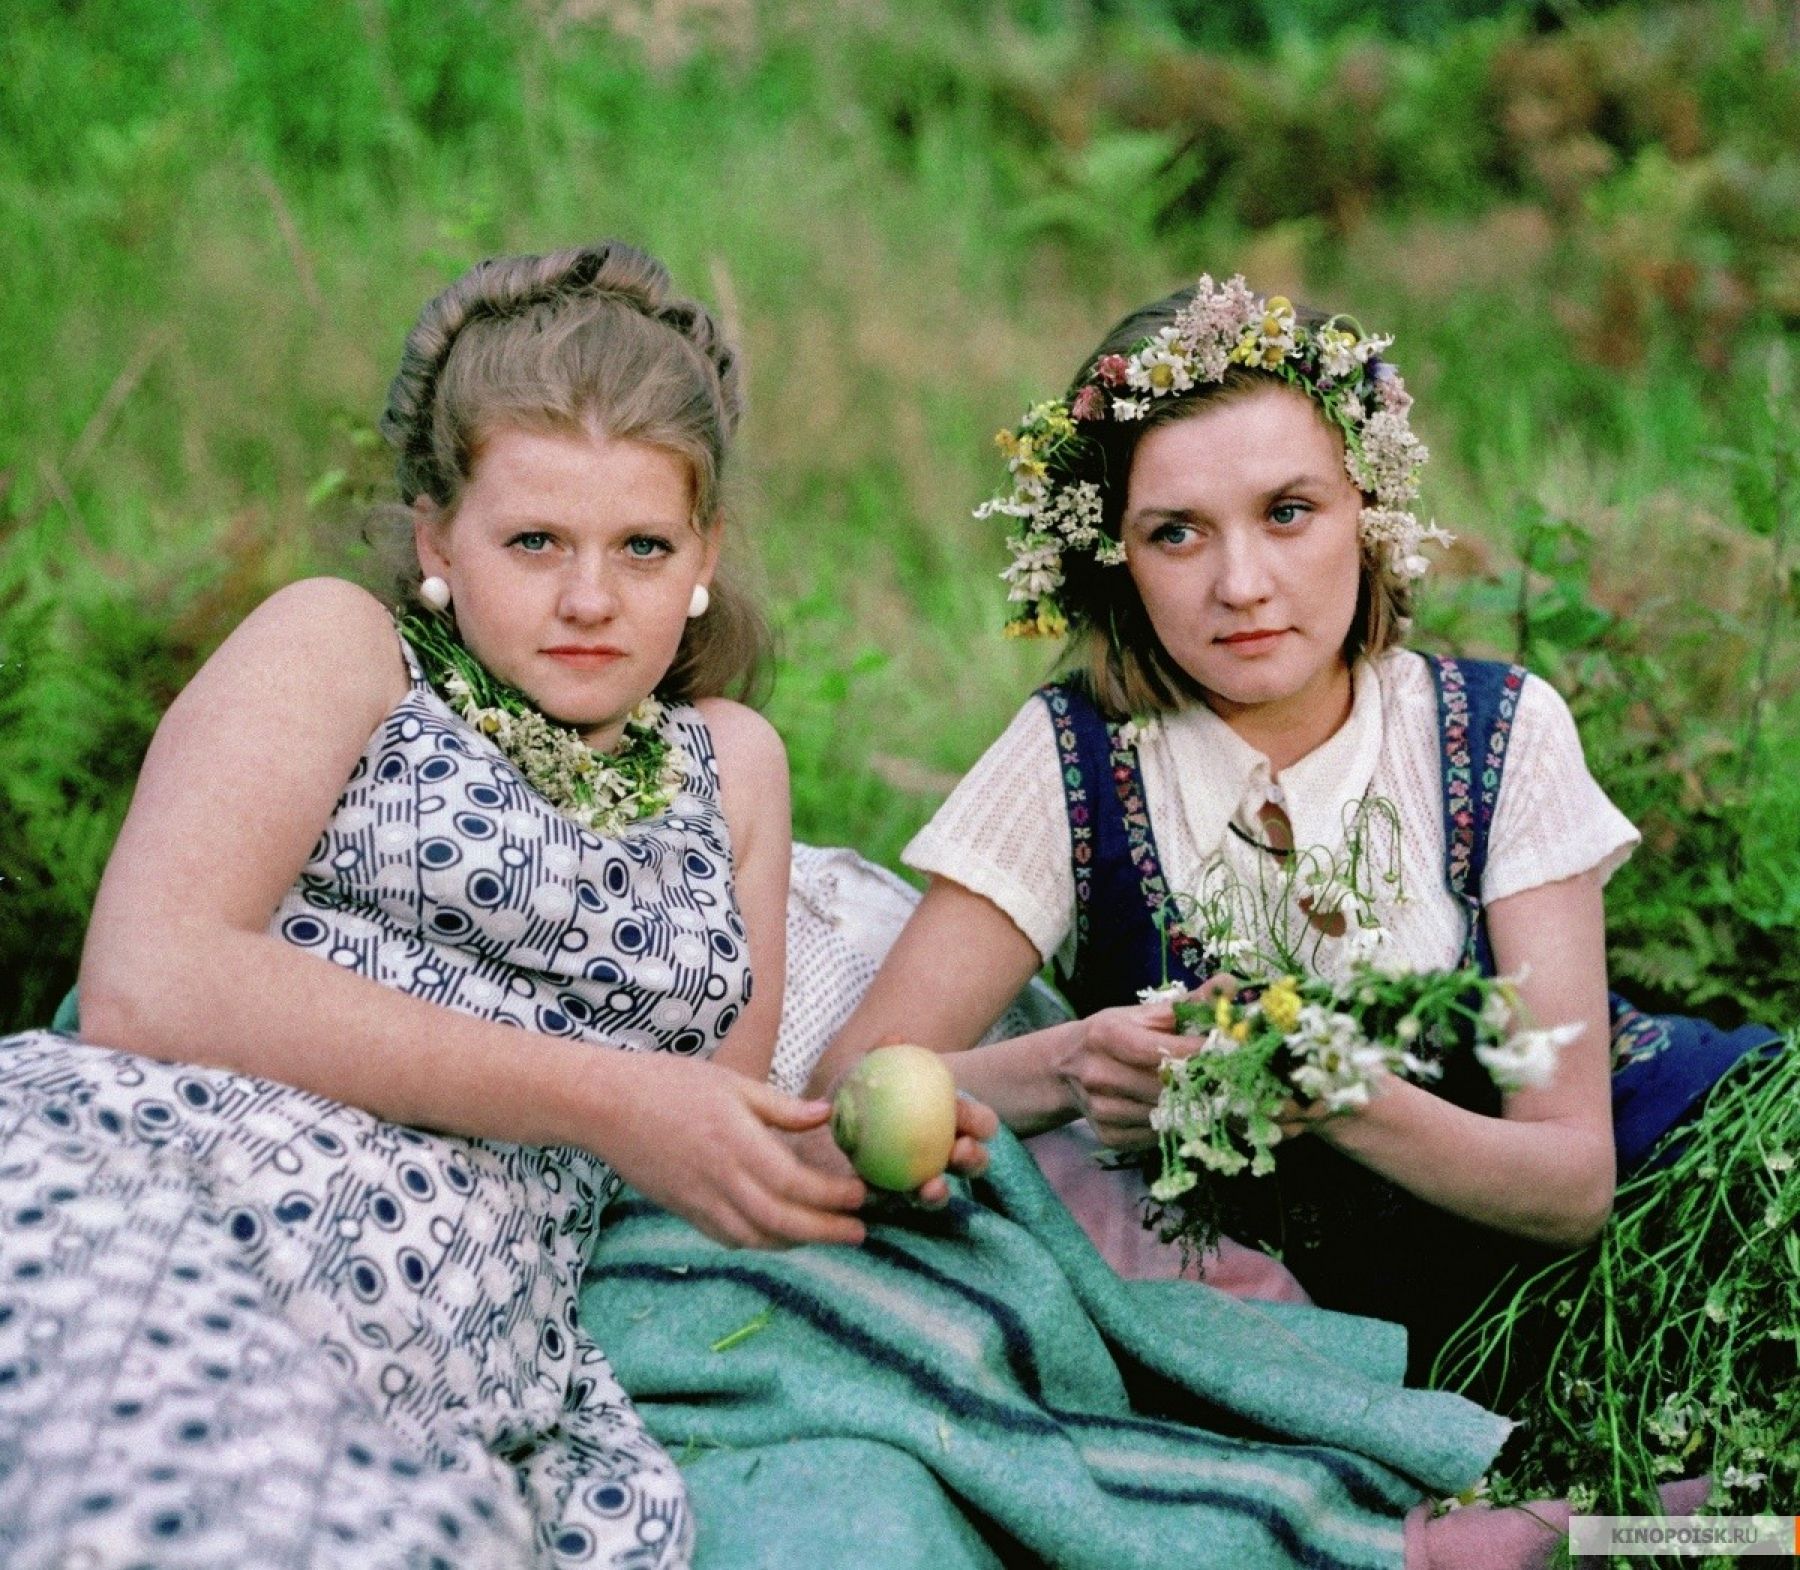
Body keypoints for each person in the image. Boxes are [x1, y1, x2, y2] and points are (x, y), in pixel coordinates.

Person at [0, 240, 879, 1570]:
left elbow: (721, 1129)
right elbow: (148, 978)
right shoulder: (341, 647)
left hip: (449, 1315)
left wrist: (998, 1087)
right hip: (181, 1173)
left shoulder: (732, 765)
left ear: (703, 550)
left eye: (642, 544)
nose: (591, 597)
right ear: (435, 537)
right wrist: (608, 1099)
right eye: (534, 540)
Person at [804, 274, 1784, 1382]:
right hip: (1352, 1344)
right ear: (1114, 558)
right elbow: (851, 1090)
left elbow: (1571, 1186)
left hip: (1676, 1199)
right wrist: (1070, 1065)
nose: (1242, 583)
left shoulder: (1494, 731)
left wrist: (1324, 1097)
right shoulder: (1075, 759)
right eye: (1176, 533)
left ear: (1365, 513)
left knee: (1736, 1524)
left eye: (1287, 512)